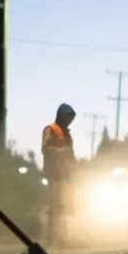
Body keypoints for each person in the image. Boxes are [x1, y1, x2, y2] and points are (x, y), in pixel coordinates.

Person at [41, 104, 77, 245]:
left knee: (65, 206)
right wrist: (62, 151)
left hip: (65, 175)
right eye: (67, 117)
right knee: (54, 206)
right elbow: (45, 149)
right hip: (53, 174)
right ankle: (52, 237)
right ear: (61, 116)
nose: (70, 120)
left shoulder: (67, 133)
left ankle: (62, 237)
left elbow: (71, 155)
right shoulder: (50, 130)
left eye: (71, 118)